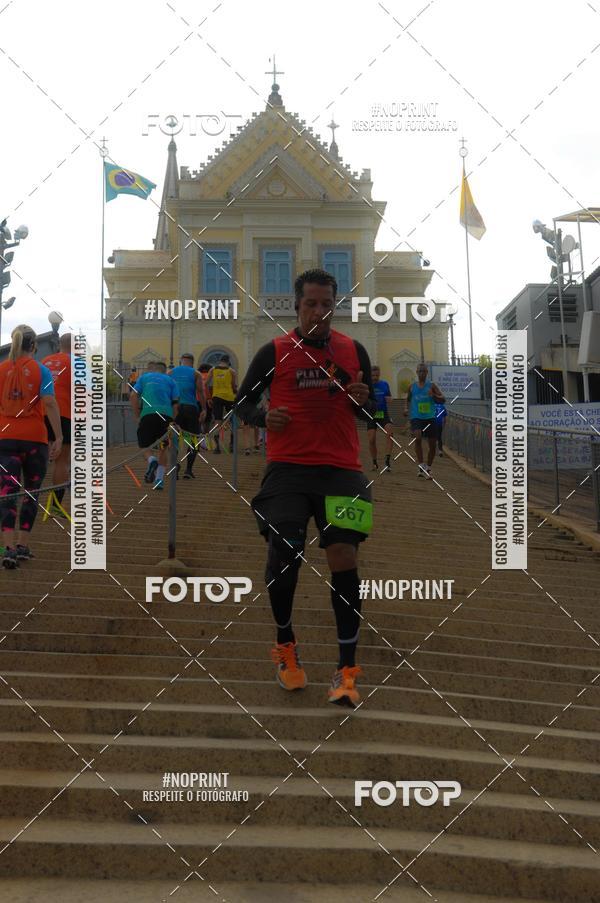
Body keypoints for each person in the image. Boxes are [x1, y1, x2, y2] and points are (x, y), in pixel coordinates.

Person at [236, 268, 377, 708]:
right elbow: (242, 402)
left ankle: (346, 670)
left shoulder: (353, 350)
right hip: (289, 469)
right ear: (296, 306)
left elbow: (368, 404)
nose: (319, 311)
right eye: (311, 304)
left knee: (344, 556)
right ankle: (286, 647)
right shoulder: (274, 350)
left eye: (326, 304)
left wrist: (363, 399)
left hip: (342, 470)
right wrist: (263, 418)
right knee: (286, 550)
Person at [0, 325, 62, 569]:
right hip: (35, 439)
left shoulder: (1, 369)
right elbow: (49, 402)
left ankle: (8, 548)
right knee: (31, 491)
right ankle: (23, 545)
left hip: (5, 439)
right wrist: (57, 436)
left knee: (7, 493)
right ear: (34, 345)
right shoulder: (41, 370)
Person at [130, 361, 179, 490]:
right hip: (166, 415)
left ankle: (151, 460)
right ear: (164, 370)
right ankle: (159, 480)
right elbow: (175, 404)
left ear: (151, 370)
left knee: (145, 445)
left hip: (148, 413)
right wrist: (173, 420)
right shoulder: (171, 381)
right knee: (164, 448)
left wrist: (137, 416)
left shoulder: (144, 378)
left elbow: (133, 395)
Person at [42, 333, 72, 515]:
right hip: (64, 413)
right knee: (61, 461)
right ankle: (55, 504)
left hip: (41, 412)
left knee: (37, 458)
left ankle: (22, 499)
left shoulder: (44, 360)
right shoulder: (79, 364)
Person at [404, 363, 445, 479]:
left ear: (427, 373)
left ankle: (428, 467)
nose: (421, 373)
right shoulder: (412, 387)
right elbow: (407, 399)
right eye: (420, 371)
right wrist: (406, 408)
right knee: (417, 438)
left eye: (424, 371)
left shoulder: (432, 386)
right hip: (416, 417)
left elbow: (443, 399)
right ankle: (421, 465)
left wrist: (433, 396)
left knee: (432, 445)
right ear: (416, 372)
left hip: (430, 418)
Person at [169, 354, 206, 479]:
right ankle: (188, 470)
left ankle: (175, 467)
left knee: (174, 438)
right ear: (192, 362)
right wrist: (204, 409)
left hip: (175, 409)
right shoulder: (196, 373)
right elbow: (200, 392)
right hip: (191, 408)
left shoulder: (170, 372)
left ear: (181, 361)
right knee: (193, 440)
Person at [208, 354, 237, 453]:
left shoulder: (212, 370)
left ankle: (217, 447)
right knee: (232, 420)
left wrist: (209, 397)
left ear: (219, 361)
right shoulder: (232, 371)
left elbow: (206, 383)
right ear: (228, 362)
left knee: (217, 421)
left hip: (217, 397)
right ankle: (232, 444)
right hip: (229, 397)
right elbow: (233, 386)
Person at [367, 365, 393, 473]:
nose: (375, 377)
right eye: (373, 375)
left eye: (377, 375)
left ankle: (387, 461)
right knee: (371, 439)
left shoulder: (384, 384)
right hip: (371, 415)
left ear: (379, 374)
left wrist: (389, 399)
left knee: (390, 433)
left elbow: (389, 397)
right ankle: (374, 462)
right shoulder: (367, 385)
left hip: (382, 414)